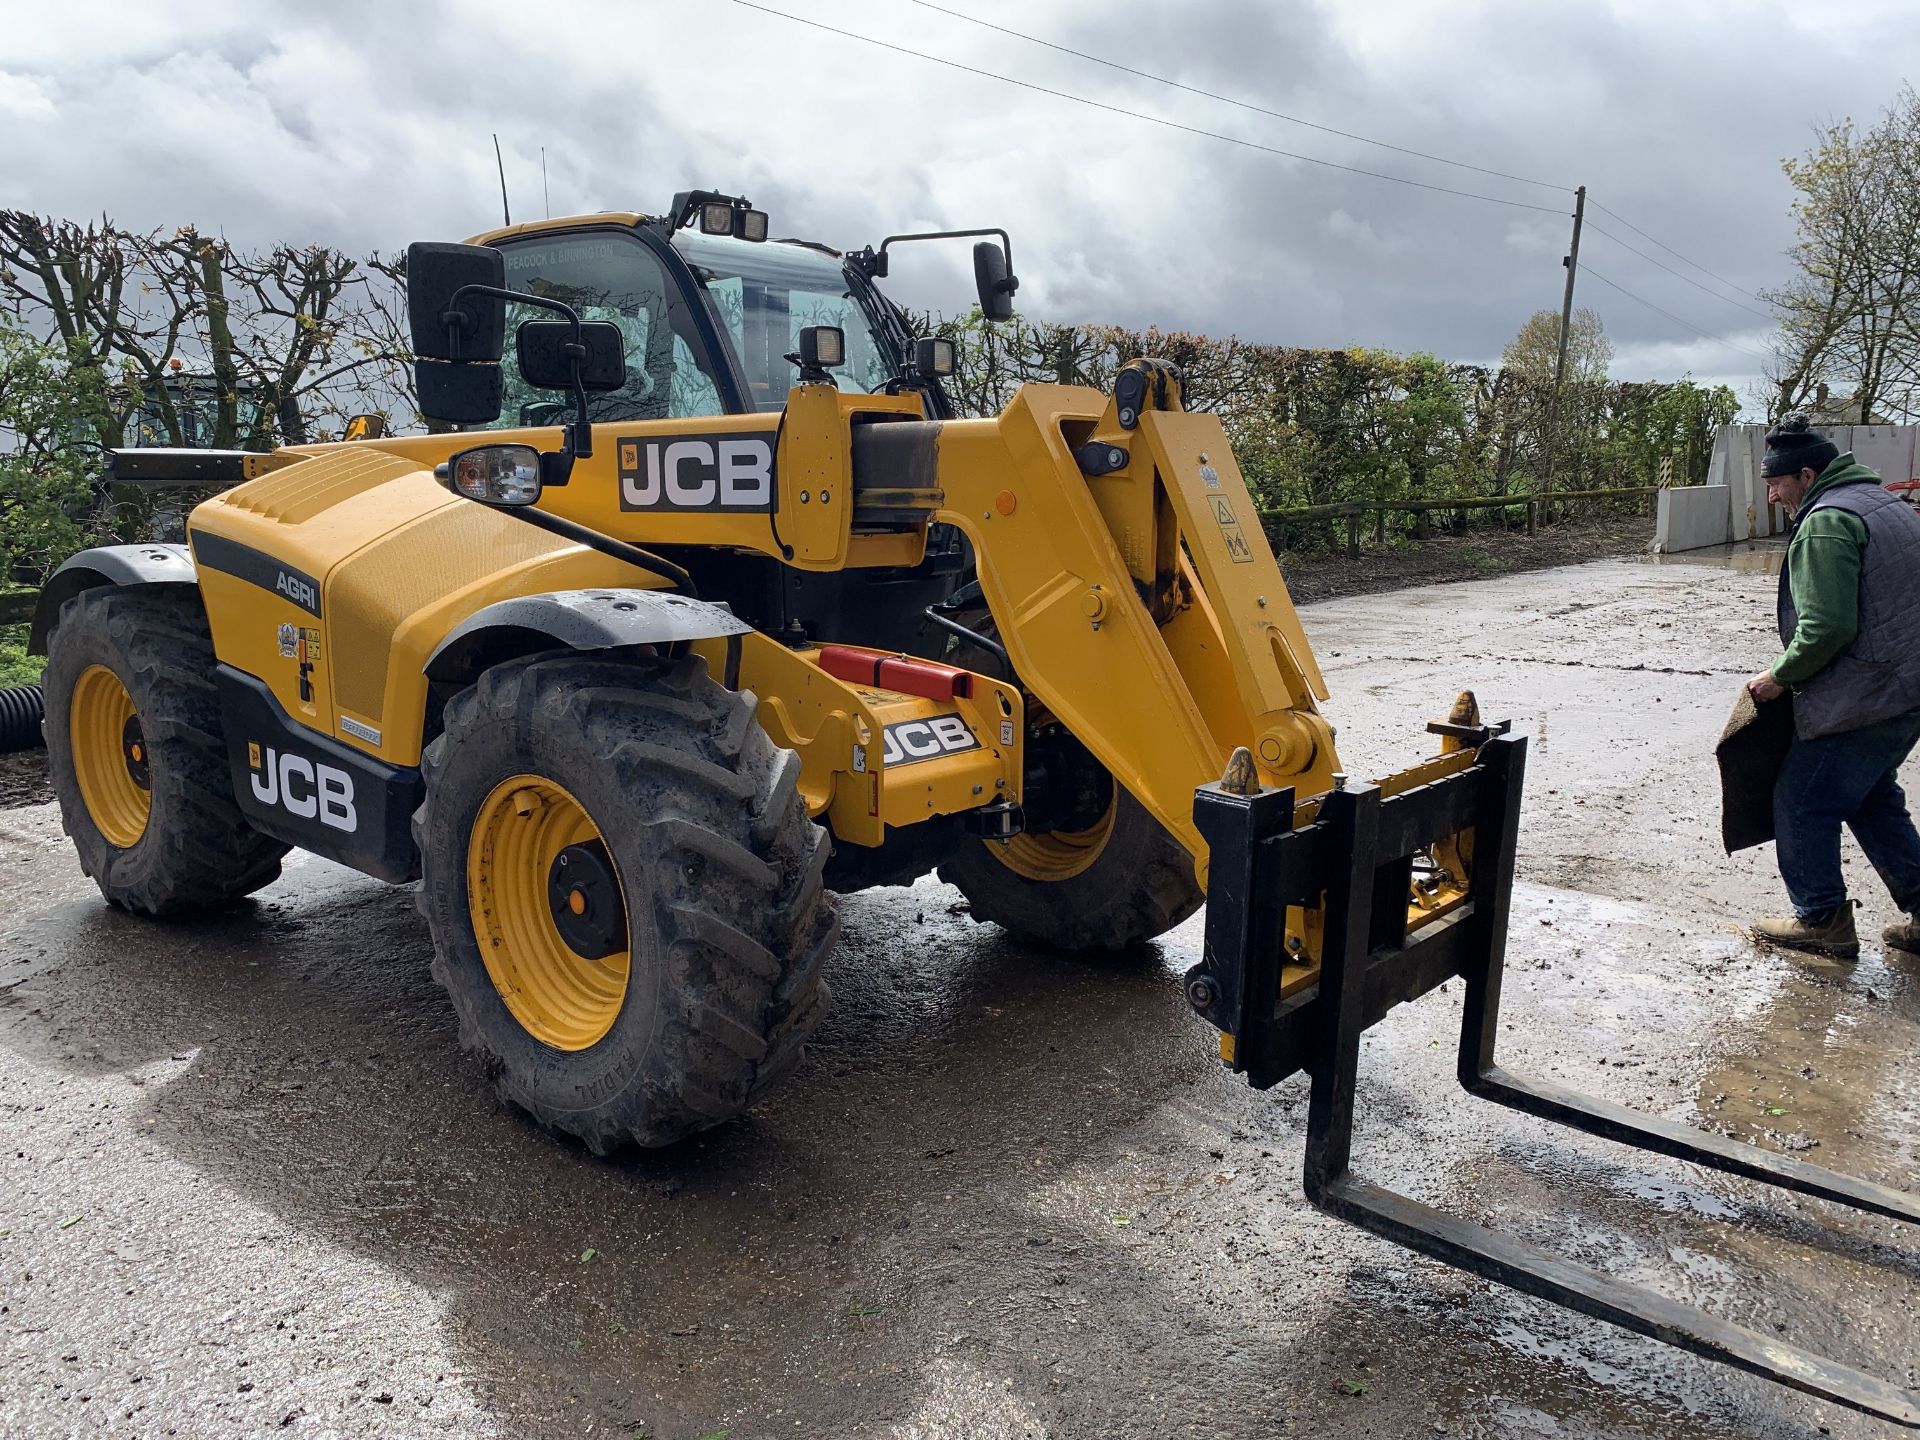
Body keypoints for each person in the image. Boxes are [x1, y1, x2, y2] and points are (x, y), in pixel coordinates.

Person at [1747, 416, 1920, 959]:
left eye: (1776, 483)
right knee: (1870, 798)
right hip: (1905, 685)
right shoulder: (1884, 502)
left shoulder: (1827, 522)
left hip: (1869, 692)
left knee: (1803, 799)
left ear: (1806, 473)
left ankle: (1822, 920)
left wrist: (1779, 676)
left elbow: (1827, 627)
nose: (1773, 495)